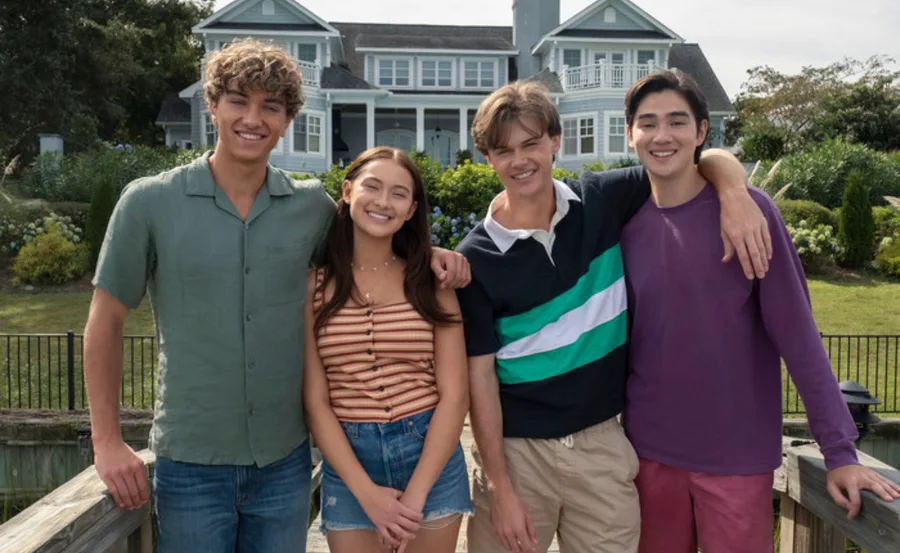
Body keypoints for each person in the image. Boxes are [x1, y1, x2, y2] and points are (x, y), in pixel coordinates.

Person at [83, 39, 468, 553]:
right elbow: (104, 323)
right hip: (191, 461)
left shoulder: (310, 206)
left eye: (271, 106)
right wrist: (107, 441)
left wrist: (435, 252)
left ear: (287, 120)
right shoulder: (149, 202)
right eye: (239, 100)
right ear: (213, 105)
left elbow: (375, 227)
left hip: (283, 466)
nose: (253, 118)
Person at [455, 80, 772, 553]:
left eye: (531, 144)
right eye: (504, 151)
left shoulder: (601, 201)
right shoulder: (475, 259)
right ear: (488, 160)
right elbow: (478, 379)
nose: (520, 161)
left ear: (555, 142)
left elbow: (689, 158)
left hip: (602, 447)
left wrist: (735, 191)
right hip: (518, 455)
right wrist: (499, 489)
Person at [619, 69, 900, 553]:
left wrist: (840, 451)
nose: (662, 136)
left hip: (735, 457)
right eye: (647, 123)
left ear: (702, 132)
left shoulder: (749, 215)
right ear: (630, 134)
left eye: (677, 122)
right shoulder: (621, 218)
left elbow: (798, 336)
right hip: (646, 455)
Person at [303, 146, 472, 553]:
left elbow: (455, 396)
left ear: (411, 209)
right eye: (372, 187)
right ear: (347, 192)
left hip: (429, 455)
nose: (383, 202)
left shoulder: (432, 283)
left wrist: (415, 496)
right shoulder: (315, 288)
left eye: (399, 193)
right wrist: (367, 494)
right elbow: (316, 401)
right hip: (350, 463)